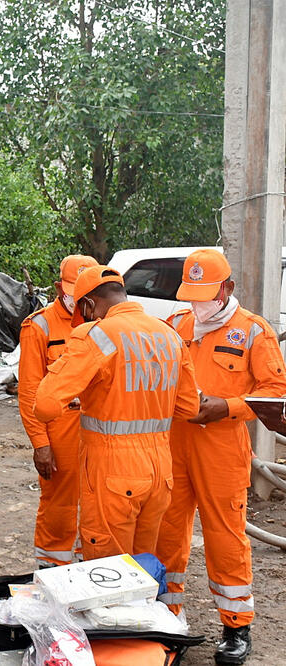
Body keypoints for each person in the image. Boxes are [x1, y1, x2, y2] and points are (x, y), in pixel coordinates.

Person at [154, 250, 286, 665]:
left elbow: (274, 393)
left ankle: (235, 626)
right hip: (174, 444)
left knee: (225, 537)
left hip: (222, 449)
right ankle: (167, 616)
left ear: (227, 288)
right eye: (191, 297)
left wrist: (226, 407)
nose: (198, 305)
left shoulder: (253, 332)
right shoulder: (176, 325)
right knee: (166, 532)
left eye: (205, 296)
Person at [34, 265, 198, 563]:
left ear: (88, 304)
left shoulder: (95, 335)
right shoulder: (169, 335)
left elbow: (45, 406)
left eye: (84, 312)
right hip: (160, 472)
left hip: (113, 472)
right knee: (142, 565)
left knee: (109, 571)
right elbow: (189, 408)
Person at [18, 254, 97, 568]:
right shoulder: (39, 326)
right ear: (58, 287)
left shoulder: (102, 324)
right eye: (73, 291)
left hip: (99, 432)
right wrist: (41, 444)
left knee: (96, 502)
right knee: (59, 505)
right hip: (60, 432)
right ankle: (52, 566)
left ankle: (88, 565)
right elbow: (29, 391)